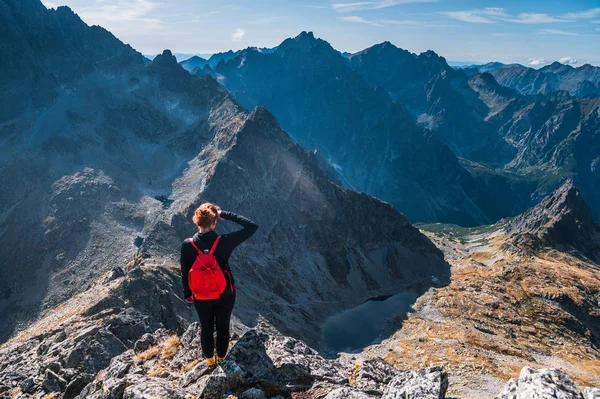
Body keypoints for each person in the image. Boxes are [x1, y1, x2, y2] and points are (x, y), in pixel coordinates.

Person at [180, 202, 258, 368]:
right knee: (223, 326)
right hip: (224, 293)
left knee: (206, 328)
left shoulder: (187, 245)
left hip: (200, 295)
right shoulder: (224, 242)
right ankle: (222, 360)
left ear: (196, 221)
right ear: (215, 222)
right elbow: (252, 226)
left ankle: (210, 362)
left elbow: (185, 272)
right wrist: (225, 213)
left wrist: (188, 294)